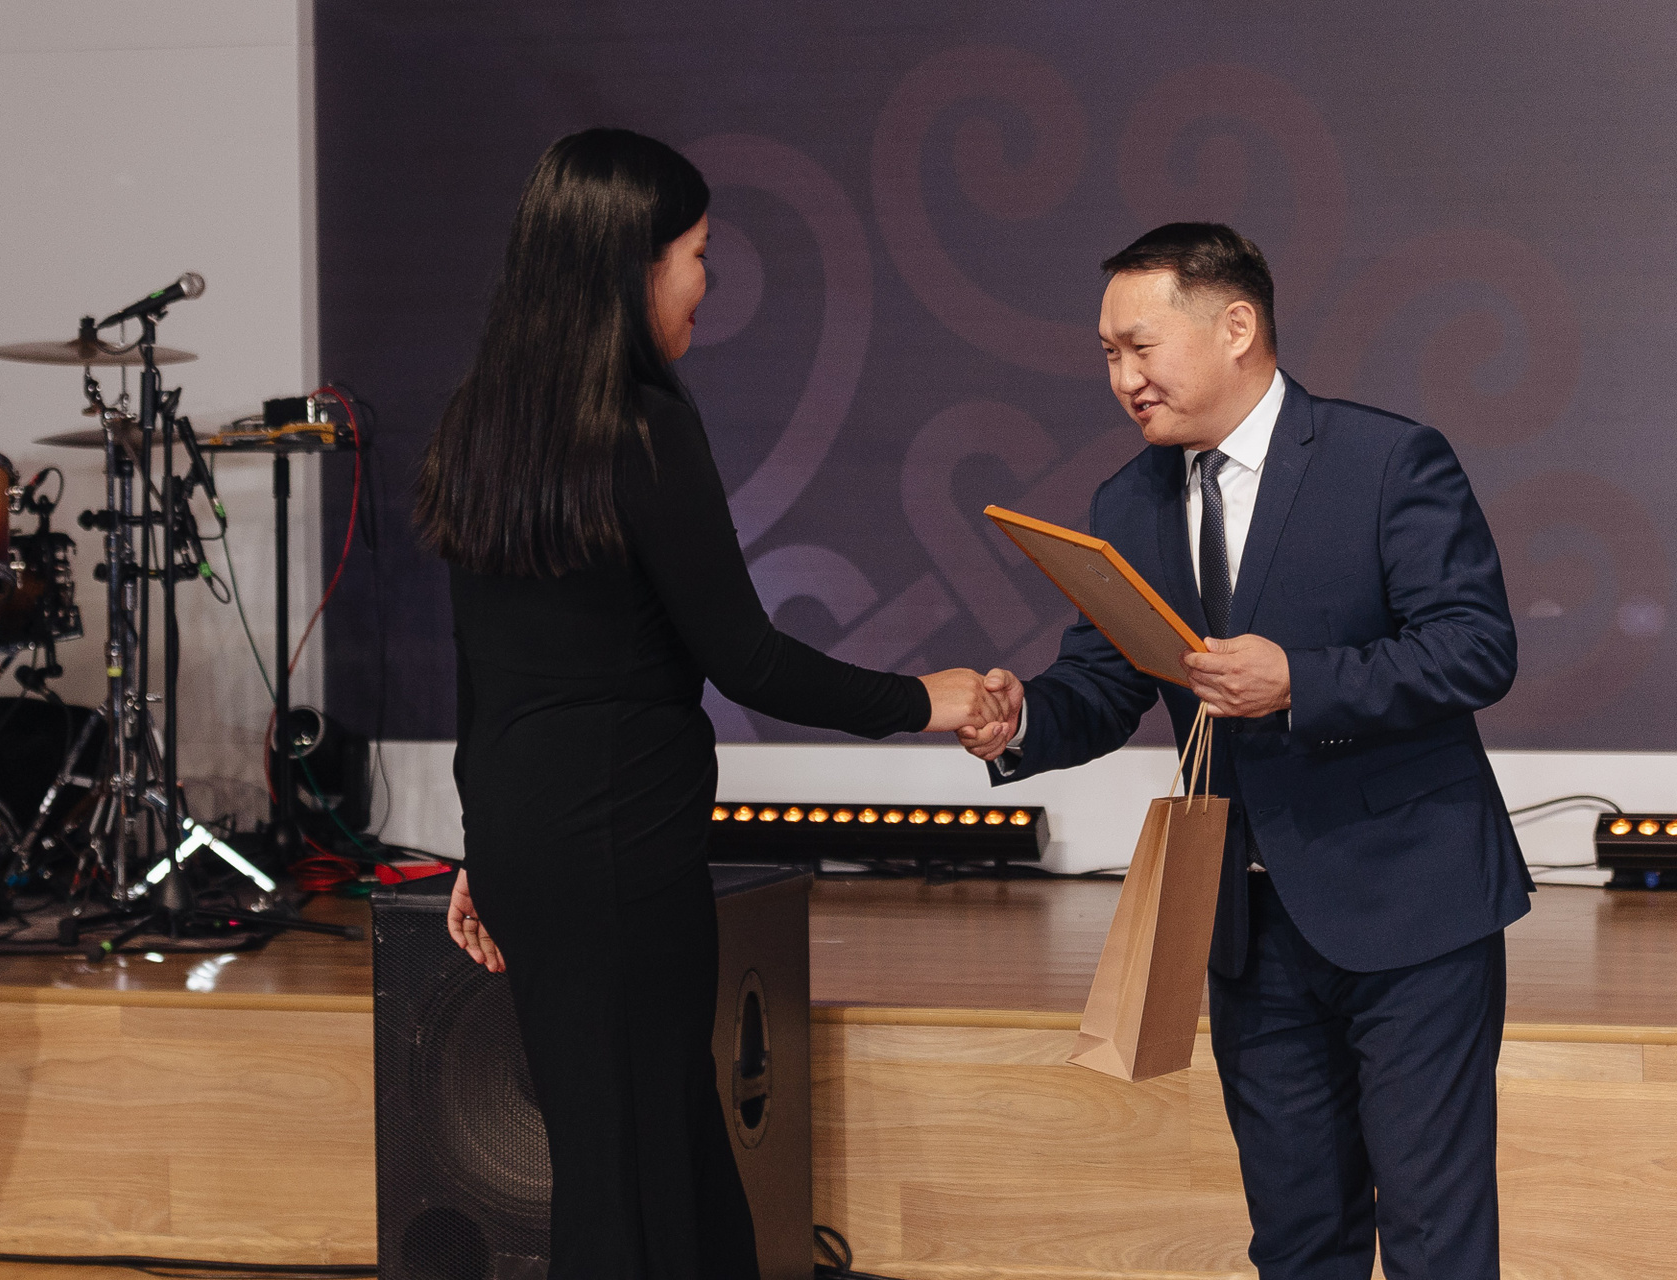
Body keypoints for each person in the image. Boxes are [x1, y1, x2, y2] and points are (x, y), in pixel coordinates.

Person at [416, 128, 1018, 1280]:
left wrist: (485, 843)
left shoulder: (478, 422)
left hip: (528, 842)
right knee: (638, 1181)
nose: (706, 281)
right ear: (633, 264)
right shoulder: (643, 427)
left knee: (641, 1155)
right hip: (620, 856)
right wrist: (925, 700)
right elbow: (747, 658)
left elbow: (479, 672)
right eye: (696, 254)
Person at [964, 223, 1527, 1280]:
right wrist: (1021, 717)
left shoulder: (1385, 460)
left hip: (1412, 906)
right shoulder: (1127, 500)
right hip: (1246, 924)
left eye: (1141, 347)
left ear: (1236, 326)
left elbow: (1474, 647)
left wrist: (1301, 680)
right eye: (1108, 356)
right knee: (1297, 1239)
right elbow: (1108, 680)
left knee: (1434, 1240)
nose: (1123, 380)